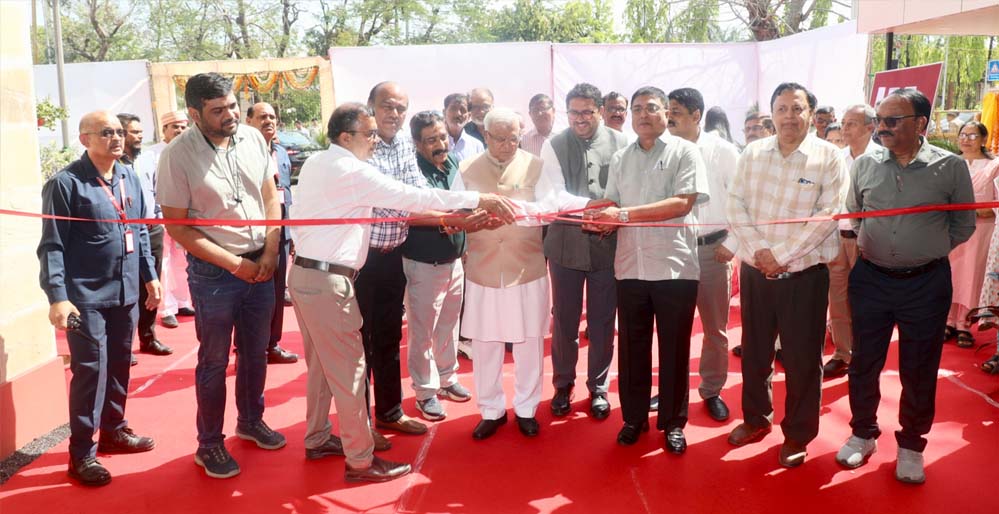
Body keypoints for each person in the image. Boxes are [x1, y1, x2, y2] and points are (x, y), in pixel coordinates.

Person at [289, 102, 516, 482]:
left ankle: (318, 437)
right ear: (346, 137)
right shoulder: (350, 170)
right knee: (350, 372)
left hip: (307, 275)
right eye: (369, 134)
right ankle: (360, 461)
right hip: (327, 282)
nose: (375, 141)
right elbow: (413, 197)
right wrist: (478, 199)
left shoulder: (317, 162)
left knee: (323, 369)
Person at [837, 88, 975, 484]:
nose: (881, 127)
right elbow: (855, 215)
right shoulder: (865, 164)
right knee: (864, 362)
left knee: (919, 367)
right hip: (871, 280)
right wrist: (881, 248)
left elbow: (963, 224)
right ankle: (863, 433)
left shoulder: (950, 167)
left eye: (892, 120)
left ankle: (912, 444)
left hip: (926, 284)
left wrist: (925, 249)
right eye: (879, 120)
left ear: (920, 124)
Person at [157, 72, 285, 479]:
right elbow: (177, 227)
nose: (230, 115)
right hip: (215, 274)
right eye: (218, 110)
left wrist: (270, 251)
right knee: (213, 361)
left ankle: (251, 421)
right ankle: (209, 444)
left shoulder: (252, 138)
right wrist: (234, 264)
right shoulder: (177, 155)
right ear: (195, 114)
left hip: (261, 262)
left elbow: (271, 197)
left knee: (255, 351)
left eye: (232, 106)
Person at [726, 83, 846, 468]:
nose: (789, 117)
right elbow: (735, 204)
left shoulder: (829, 157)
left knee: (802, 359)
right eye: (782, 109)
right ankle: (756, 418)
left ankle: (797, 433)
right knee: (755, 352)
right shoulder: (752, 153)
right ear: (772, 114)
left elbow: (828, 216)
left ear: (811, 113)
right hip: (755, 272)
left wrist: (779, 256)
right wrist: (760, 252)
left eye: (797, 109)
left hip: (804, 277)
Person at [38, 111, 161, 486]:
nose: (117, 138)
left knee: (120, 364)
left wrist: (150, 276)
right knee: (91, 371)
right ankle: (81, 454)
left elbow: (139, 230)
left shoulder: (128, 176)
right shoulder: (65, 184)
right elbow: (52, 246)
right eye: (107, 132)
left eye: (119, 131)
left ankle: (114, 430)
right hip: (84, 297)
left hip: (125, 292)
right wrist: (57, 296)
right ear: (85, 139)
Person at [459, 108, 595, 440]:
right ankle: (491, 410)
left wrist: (517, 210)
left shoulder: (536, 165)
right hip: (483, 270)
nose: (508, 145)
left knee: (529, 342)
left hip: (526, 268)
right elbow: (454, 208)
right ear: (485, 135)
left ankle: (526, 409)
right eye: (500, 139)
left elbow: (552, 205)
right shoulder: (466, 167)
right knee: (486, 343)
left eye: (514, 138)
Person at [586, 87, 708, 454]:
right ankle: (634, 418)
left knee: (674, 350)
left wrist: (621, 215)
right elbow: (614, 201)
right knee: (632, 348)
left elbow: (681, 203)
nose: (642, 114)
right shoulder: (621, 157)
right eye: (636, 108)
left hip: (674, 267)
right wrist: (597, 216)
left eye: (651, 108)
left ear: (666, 113)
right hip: (630, 266)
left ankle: (673, 422)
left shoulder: (685, 151)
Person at [543, 83, 628, 420]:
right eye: (573, 112)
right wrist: (596, 208)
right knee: (564, 319)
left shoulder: (622, 142)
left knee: (603, 321)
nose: (580, 119)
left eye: (587, 112)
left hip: (607, 247)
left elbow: (627, 191)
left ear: (600, 111)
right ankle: (563, 384)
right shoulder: (553, 145)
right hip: (565, 245)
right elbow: (554, 194)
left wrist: (614, 214)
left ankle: (599, 387)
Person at [357, 81, 429, 437]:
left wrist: (445, 209)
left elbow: (417, 189)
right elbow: (384, 200)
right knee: (359, 345)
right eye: (387, 106)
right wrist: (441, 213)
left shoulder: (402, 143)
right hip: (360, 260)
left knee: (388, 338)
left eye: (401, 108)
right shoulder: (360, 143)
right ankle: (361, 424)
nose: (395, 114)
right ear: (371, 106)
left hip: (392, 255)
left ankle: (389, 411)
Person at [401, 111, 484, 421]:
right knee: (422, 332)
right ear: (416, 143)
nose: (440, 145)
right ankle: (425, 392)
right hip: (423, 263)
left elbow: (462, 205)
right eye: (431, 140)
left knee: (449, 326)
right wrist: (449, 219)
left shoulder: (452, 164)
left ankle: (447, 379)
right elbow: (412, 213)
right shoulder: (412, 171)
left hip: (454, 262)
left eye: (442, 137)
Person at [666, 88, 740, 423]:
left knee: (714, 330)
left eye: (676, 111)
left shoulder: (723, 152)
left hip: (714, 251)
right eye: (668, 110)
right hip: (673, 251)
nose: (669, 117)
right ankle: (672, 391)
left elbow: (741, 200)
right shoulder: (663, 149)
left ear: (696, 115)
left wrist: (733, 242)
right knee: (673, 329)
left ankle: (711, 390)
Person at [823, 104, 881, 378]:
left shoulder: (882, 159)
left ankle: (865, 355)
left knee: (866, 302)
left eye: (851, 124)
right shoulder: (837, 158)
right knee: (837, 300)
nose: (844, 129)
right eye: (844, 123)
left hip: (866, 240)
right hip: (836, 238)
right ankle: (842, 354)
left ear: (871, 127)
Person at [245, 102, 300, 364]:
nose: (269, 121)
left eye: (272, 117)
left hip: (282, 232)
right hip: (255, 235)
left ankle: (271, 345)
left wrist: (291, 232)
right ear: (249, 122)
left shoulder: (280, 152)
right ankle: (247, 349)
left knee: (277, 293)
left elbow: (285, 192)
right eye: (262, 117)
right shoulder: (243, 153)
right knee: (253, 295)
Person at [116, 113, 172, 360]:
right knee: (129, 289)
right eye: (134, 132)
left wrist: (157, 217)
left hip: (152, 230)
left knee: (152, 284)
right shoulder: (113, 164)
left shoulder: (148, 159)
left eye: (141, 132)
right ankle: (124, 346)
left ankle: (148, 337)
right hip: (127, 233)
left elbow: (157, 190)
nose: (139, 136)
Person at [134, 111, 194, 329]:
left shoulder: (190, 151)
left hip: (187, 218)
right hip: (162, 219)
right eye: (175, 127)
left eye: (183, 127)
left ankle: (182, 302)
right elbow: (150, 188)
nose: (180, 130)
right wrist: (158, 216)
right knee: (165, 263)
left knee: (183, 262)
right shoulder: (151, 155)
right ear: (164, 130)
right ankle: (167, 308)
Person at [944, 121, 999, 348]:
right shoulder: (949, 163)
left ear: (984, 139)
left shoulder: (993, 166)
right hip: (952, 229)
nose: (966, 139)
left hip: (981, 229)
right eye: (963, 135)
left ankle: (964, 323)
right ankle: (947, 320)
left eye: (973, 135)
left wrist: (976, 211)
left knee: (972, 275)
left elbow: (996, 202)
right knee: (951, 274)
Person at [443, 93, 485, 163]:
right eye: (453, 109)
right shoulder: (433, 142)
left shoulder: (477, 146)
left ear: (469, 116)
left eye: (463, 110)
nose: (458, 114)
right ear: (444, 112)